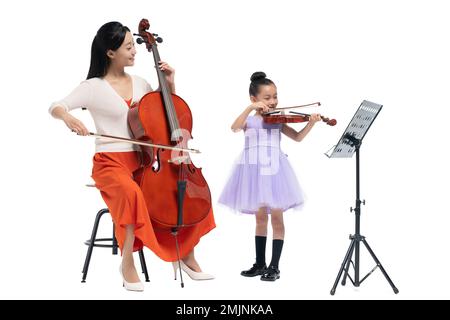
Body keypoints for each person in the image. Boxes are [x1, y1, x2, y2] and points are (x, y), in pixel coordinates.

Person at [49, 21, 215, 291]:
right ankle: (127, 262)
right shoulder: (92, 86)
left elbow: (166, 117)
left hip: (144, 162)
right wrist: (67, 117)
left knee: (181, 193)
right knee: (132, 194)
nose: (135, 51)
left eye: (134, 45)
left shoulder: (142, 83)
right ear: (110, 52)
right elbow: (56, 106)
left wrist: (170, 84)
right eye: (128, 46)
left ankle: (185, 255)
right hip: (109, 164)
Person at [219, 72, 320, 281]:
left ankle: (274, 266)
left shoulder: (278, 120)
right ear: (254, 99)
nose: (273, 101)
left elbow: (298, 138)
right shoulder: (248, 120)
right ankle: (259, 263)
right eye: (267, 98)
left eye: (275, 96)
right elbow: (234, 128)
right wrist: (249, 109)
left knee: (277, 218)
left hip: (274, 170)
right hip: (252, 171)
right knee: (260, 219)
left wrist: (311, 123)